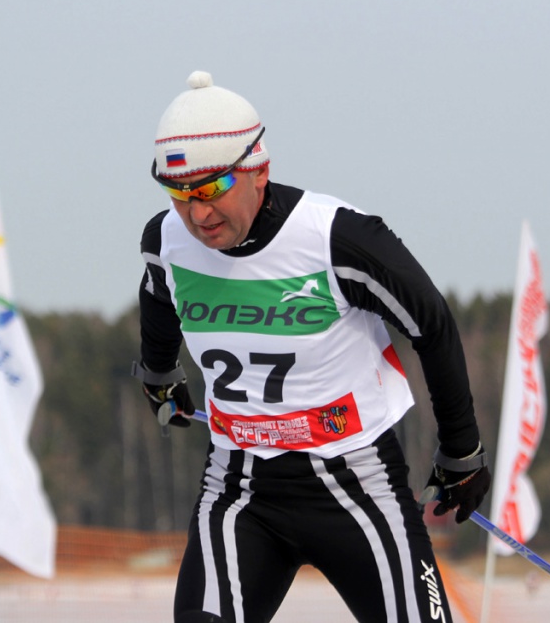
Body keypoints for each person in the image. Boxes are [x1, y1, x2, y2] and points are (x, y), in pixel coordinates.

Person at [133, 71, 491, 623]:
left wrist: (461, 452)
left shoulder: (336, 238)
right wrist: (159, 374)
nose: (197, 215)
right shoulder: (166, 241)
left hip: (357, 483)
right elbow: (158, 297)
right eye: (179, 194)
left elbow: (431, 324)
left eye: (211, 190)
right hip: (240, 487)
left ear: (258, 169)